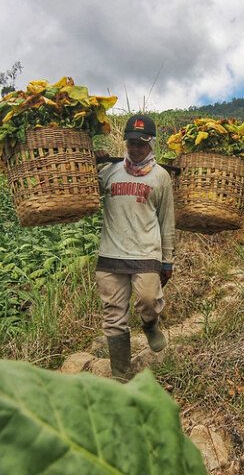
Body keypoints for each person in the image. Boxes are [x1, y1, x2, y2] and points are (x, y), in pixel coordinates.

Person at [95, 114, 175, 381]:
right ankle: (121, 373)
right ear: (125, 142)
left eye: (141, 143)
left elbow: (167, 219)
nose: (136, 148)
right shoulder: (109, 172)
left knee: (149, 300)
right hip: (111, 253)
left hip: (145, 252)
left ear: (151, 143)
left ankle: (150, 324)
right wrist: (88, 161)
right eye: (131, 143)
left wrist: (168, 259)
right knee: (113, 316)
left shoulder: (161, 176)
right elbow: (82, 189)